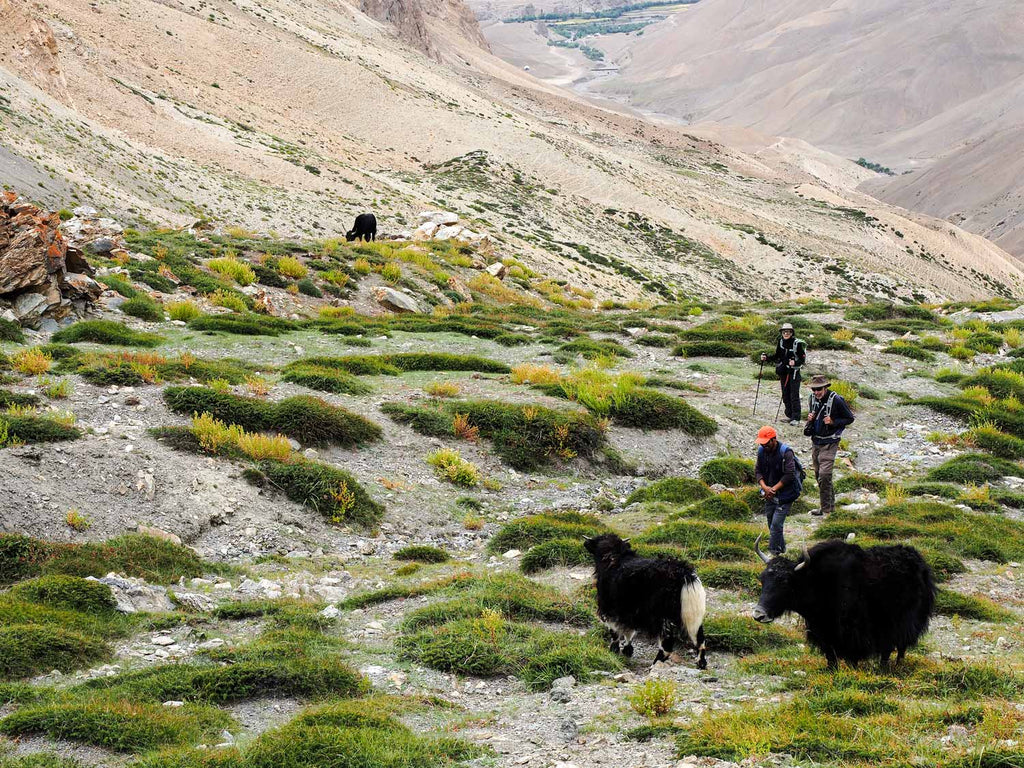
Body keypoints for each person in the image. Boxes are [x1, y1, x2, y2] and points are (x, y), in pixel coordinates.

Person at [803, 374, 855, 517]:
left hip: (830, 441)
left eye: (819, 389)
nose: (816, 392)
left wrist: (833, 422)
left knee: (825, 475)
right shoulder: (812, 399)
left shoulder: (837, 400)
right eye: (814, 390)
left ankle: (826, 511)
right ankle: (828, 507)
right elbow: (814, 416)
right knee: (819, 474)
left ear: (825, 387)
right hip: (816, 441)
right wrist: (810, 419)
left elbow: (849, 418)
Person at [754, 425, 803, 556]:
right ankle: (782, 551)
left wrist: (773, 489)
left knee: (776, 524)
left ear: (774, 439)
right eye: (762, 444)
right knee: (771, 522)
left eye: (766, 443)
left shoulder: (786, 452)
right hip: (769, 493)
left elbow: (789, 474)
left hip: (786, 494)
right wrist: (765, 488)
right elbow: (758, 471)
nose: (764, 446)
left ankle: (774, 553)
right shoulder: (761, 451)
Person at [761, 323, 806, 426]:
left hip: (794, 373)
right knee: (785, 394)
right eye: (784, 332)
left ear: (792, 333)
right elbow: (777, 356)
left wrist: (795, 363)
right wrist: (766, 358)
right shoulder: (780, 342)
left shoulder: (797, 344)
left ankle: (796, 418)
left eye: (788, 332)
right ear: (781, 333)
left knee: (794, 395)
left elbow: (802, 360)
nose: (786, 333)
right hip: (783, 372)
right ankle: (790, 416)